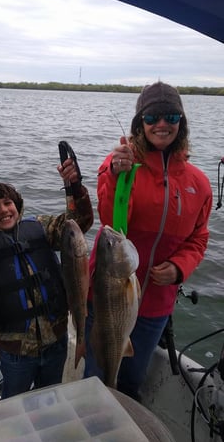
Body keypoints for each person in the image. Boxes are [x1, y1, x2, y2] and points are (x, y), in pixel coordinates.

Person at [84, 81, 212, 401]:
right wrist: (116, 174)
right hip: (107, 297)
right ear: (140, 123)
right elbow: (111, 222)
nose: (162, 124)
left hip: (156, 305)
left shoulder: (199, 182)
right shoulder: (120, 165)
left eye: (171, 116)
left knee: (131, 381)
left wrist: (180, 268)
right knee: (94, 381)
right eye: (152, 117)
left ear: (181, 123)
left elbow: (199, 237)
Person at [0, 163, 93, 399]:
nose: (3, 210)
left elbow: (78, 223)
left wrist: (75, 188)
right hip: (16, 352)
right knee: (14, 402)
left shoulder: (41, 226)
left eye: (8, 203)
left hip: (57, 341)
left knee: (50, 398)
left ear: (17, 204)